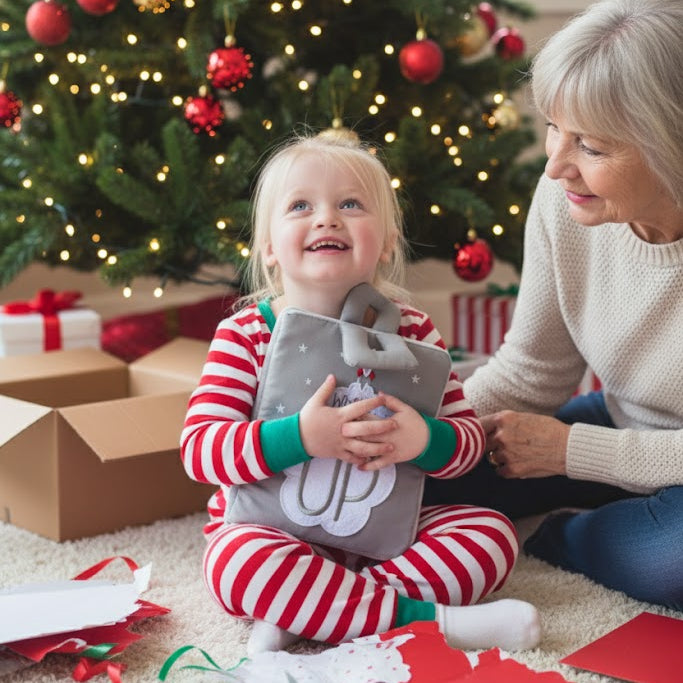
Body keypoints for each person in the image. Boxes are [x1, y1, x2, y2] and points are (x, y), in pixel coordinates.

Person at [180, 128, 541, 655]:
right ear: (268, 247)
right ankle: (439, 624)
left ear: (388, 240)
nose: (326, 217)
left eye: (351, 204)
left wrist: (424, 441)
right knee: (235, 562)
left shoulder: (414, 331)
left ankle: (310, 614)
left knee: (490, 536)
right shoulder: (245, 336)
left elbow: (466, 445)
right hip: (271, 538)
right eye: (300, 205)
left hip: (387, 545)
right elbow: (201, 451)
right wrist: (301, 436)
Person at [424, 0, 683, 610]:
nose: (556, 165)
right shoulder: (567, 203)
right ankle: (621, 507)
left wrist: (572, 453)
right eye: (553, 127)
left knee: (671, 563)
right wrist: (428, 430)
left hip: (639, 452)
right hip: (623, 423)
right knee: (419, 481)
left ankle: (562, 536)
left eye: (590, 145)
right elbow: (533, 371)